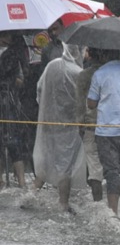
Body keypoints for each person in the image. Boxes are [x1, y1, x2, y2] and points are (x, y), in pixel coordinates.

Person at [33, 44, 87, 213]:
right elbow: (83, 103)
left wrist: (47, 107)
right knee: (66, 164)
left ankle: (32, 194)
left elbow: (40, 88)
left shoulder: (52, 65)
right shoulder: (78, 73)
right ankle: (63, 203)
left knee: (47, 159)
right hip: (68, 126)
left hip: (49, 122)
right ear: (78, 51)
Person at [87, 51, 120, 218]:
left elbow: (91, 103)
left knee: (111, 172)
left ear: (103, 55)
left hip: (106, 131)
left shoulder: (99, 73)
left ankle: (113, 213)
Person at [75, 48, 110, 201]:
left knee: (94, 167)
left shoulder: (84, 75)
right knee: (114, 166)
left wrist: (79, 123)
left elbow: (79, 103)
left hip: (91, 125)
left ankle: (98, 203)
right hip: (113, 126)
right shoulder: (114, 74)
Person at [0, 31, 28, 189]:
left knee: (14, 140)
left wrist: (11, 81)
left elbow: (22, 79)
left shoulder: (14, 54)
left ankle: (22, 182)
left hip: (9, 101)